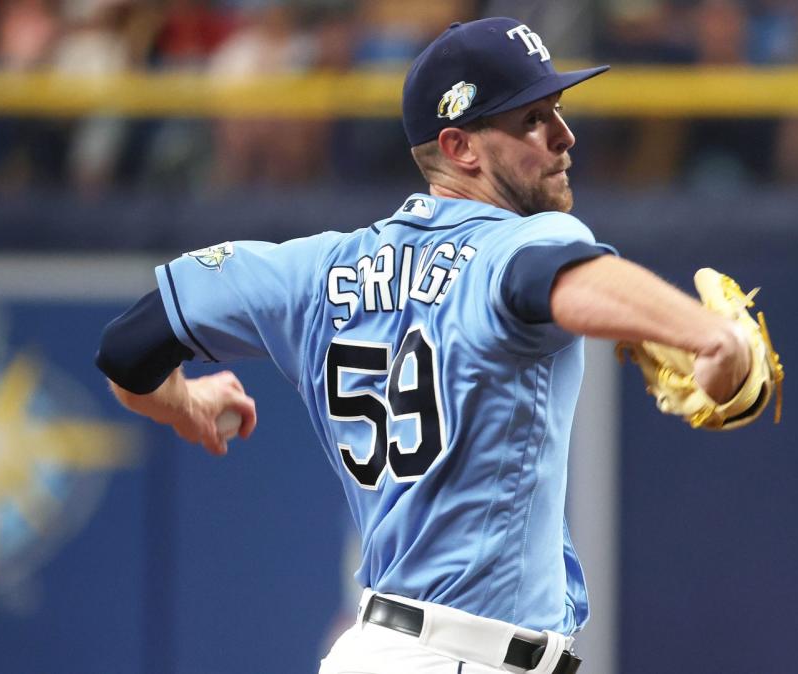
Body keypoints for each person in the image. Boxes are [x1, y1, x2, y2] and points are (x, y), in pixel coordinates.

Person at [95, 17, 753, 674]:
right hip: (466, 658)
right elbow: (557, 278)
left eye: (557, 109)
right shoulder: (520, 244)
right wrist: (705, 334)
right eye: (531, 118)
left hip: (385, 647)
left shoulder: (313, 270)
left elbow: (129, 346)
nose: (563, 136)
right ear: (460, 147)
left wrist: (180, 402)